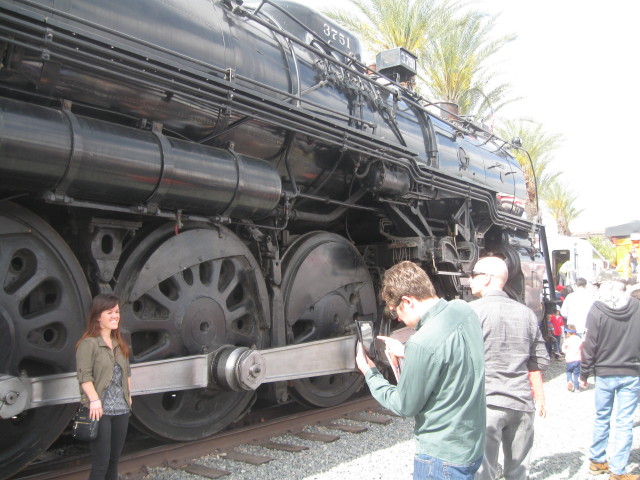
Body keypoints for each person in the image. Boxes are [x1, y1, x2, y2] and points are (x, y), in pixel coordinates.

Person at [355, 261, 485, 480]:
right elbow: (451, 356)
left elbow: (404, 405)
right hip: (472, 446)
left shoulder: (422, 343)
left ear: (407, 301)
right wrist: (407, 351)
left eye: (394, 311)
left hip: (441, 457)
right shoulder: (464, 310)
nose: (397, 318)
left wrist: (370, 372)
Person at [469, 256, 549, 480]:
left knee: (483, 472)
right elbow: (541, 361)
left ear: (486, 278)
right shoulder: (526, 313)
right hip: (521, 402)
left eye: (473, 275)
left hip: (486, 403)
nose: (470, 280)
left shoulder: (471, 313)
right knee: (518, 472)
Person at [580, 280, 640, 480]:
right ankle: (618, 471)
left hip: (604, 372)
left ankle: (597, 461)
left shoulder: (597, 309)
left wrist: (584, 373)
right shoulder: (637, 307)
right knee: (624, 422)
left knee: (602, 417)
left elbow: (589, 344)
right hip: (631, 371)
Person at [76, 294, 132, 480]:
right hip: (100, 411)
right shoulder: (88, 344)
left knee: (114, 460)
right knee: (101, 463)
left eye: (117, 312)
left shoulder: (119, 344)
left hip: (121, 409)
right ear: (97, 316)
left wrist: (129, 397)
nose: (115, 316)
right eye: (110, 312)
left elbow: (127, 373)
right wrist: (94, 401)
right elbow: (84, 376)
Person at [562, 323, 582, 392]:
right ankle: (577, 388)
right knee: (576, 374)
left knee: (569, 371)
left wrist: (567, 352)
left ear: (567, 332)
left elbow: (563, 350)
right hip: (578, 359)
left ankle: (570, 381)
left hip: (569, 359)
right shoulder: (579, 339)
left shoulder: (567, 340)